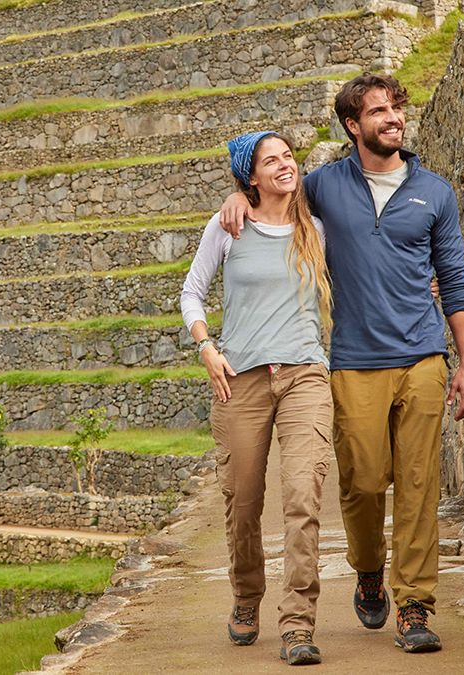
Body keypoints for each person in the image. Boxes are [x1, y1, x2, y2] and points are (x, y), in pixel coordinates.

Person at [219, 73, 464, 655]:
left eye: (396, 109)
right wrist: (238, 195)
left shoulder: (434, 192)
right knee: (362, 482)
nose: (393, 118)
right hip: (352, 360)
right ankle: (368, 568)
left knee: (418, 483)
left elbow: (455, 281)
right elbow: (274, 203)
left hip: (423, 356)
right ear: (352, 126)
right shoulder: (323, 187)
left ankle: (414, 605)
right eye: (379, 111)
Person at [180, 130, 334, 666]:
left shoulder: (314, 228)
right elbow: (192, 291)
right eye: (271, 161)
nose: (285, 165)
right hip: (239, 379)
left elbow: (362, 270)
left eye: (289, 156)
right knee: (243, 504)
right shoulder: (228, 226)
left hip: (305, 376)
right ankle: (247, 596)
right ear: (251, 177)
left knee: (303, 497)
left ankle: (297, 624)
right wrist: (205, 346)